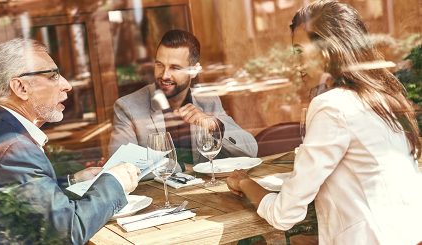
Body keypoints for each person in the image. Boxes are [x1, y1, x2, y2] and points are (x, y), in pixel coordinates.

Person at [226, 1, 422, 244]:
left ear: (327, 50)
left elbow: (284, 213)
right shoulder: (384, 97)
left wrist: (244, 182)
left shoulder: (332, 105)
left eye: (300, 51)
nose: (296, 64)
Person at [0, 38, 140, 244]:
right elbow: (67, 232)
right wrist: (114, 182)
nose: (67, 85)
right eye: (53, 76)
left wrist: (73, 181)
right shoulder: (14, 149)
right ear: (21, 87)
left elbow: (25, 198)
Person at [110, 30, 258, 171]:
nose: (165, 75)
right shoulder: (127, 107)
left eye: (175, 68)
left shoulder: (207, 101)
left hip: (203, 194)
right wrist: (181, 167)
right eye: (160, 65)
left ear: (193, 71)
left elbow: (251, 151)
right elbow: (120, 166)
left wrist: (215, 126)